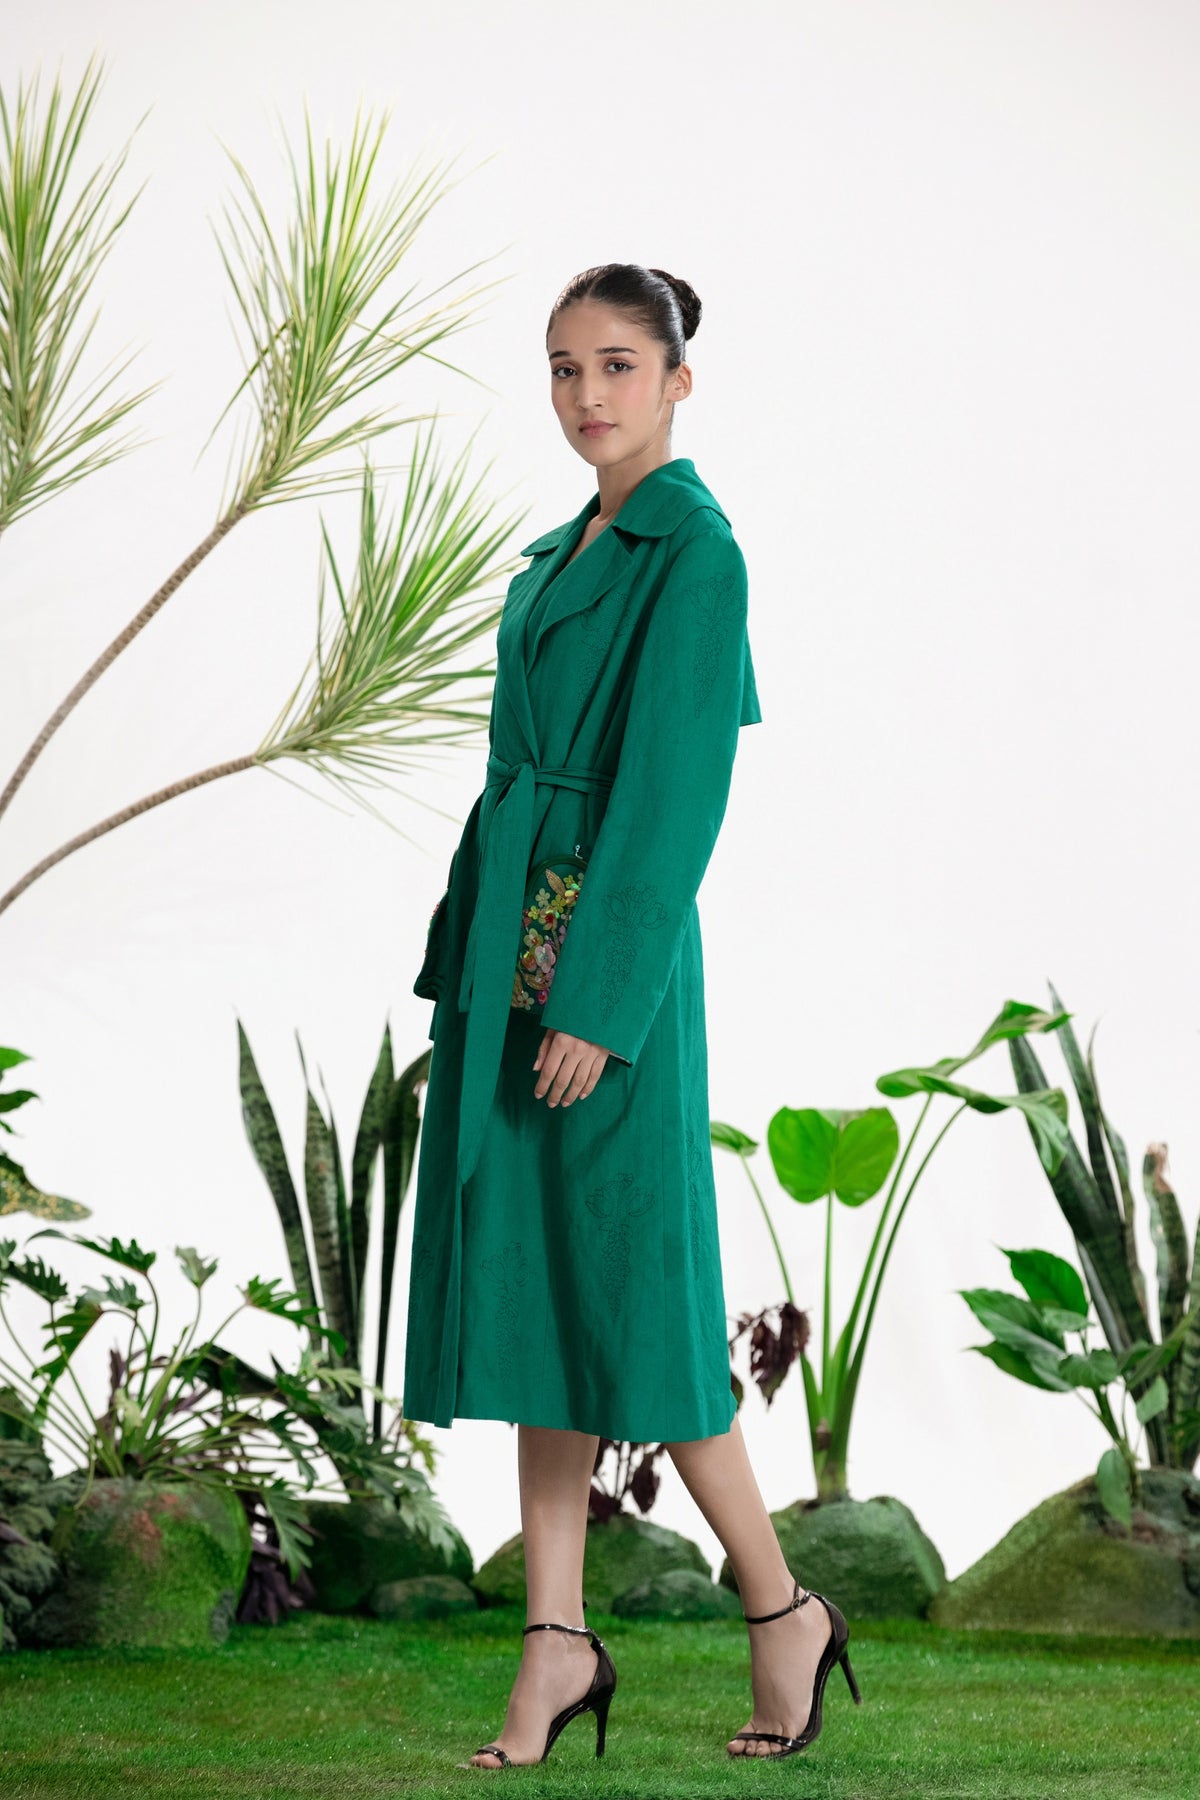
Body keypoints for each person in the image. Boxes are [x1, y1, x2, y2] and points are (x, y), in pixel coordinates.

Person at [401, 263, 861, 1768]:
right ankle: (555, 1643)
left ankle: (782, 1606)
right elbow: (511, 777)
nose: (586, 393)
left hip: (611, 970)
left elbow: (674, 800)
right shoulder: (558, 552)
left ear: (677, 379)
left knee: (635, 1308)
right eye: (562, 367)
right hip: (509, 960)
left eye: (614, 364)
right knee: (542, 1298)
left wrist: (598, 1002)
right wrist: (472, 959)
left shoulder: (696, 554)